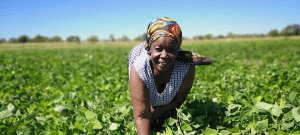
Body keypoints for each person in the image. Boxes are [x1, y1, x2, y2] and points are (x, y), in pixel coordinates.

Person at [128, 17, 216, 134]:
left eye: (171, 50)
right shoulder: (139, 68)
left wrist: (155, 116)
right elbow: (142, 117)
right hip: (143, 74)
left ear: (178, 48)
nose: (164, 55)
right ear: (149, 48)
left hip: (171, 100)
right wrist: (147, 117)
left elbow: (177, 101)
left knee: (170, 119)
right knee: (144, 114)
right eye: (158, 49)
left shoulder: (186, 67)